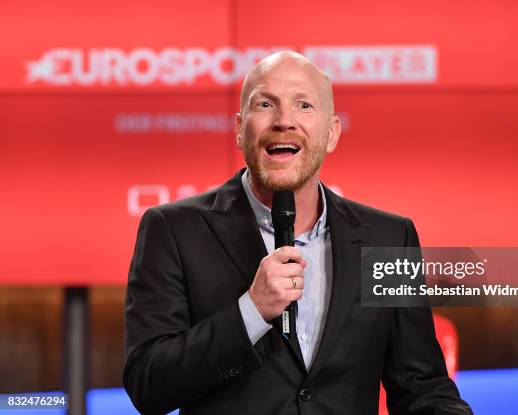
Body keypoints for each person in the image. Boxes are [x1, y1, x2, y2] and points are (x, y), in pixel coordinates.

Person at [124, 51, 472, 415]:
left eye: (304, 105)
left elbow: (423, 388)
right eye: (265, 104)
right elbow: (148, 385)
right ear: (240, 130)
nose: (284, 121)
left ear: (332, 132)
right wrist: (251, 312)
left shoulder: (387, 239)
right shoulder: (174, 230)